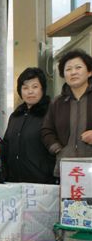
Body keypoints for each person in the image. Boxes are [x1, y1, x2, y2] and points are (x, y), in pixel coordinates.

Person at [41, 49, 92, 177]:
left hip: (90, 167)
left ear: (89, 72)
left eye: (78, 67)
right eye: (68, 69)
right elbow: (46, 130)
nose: (73, 72)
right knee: (70, 198)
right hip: (66, 169)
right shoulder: (57, 102)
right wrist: (58, 150)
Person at [5, 68, 55, 184]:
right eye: (25, 88)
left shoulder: (51, 113)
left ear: (43, 89)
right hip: (14, 182)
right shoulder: (15, 116)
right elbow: (7, 145)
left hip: (42, 183)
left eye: (35, 87)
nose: (30, 91)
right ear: (20, 91)